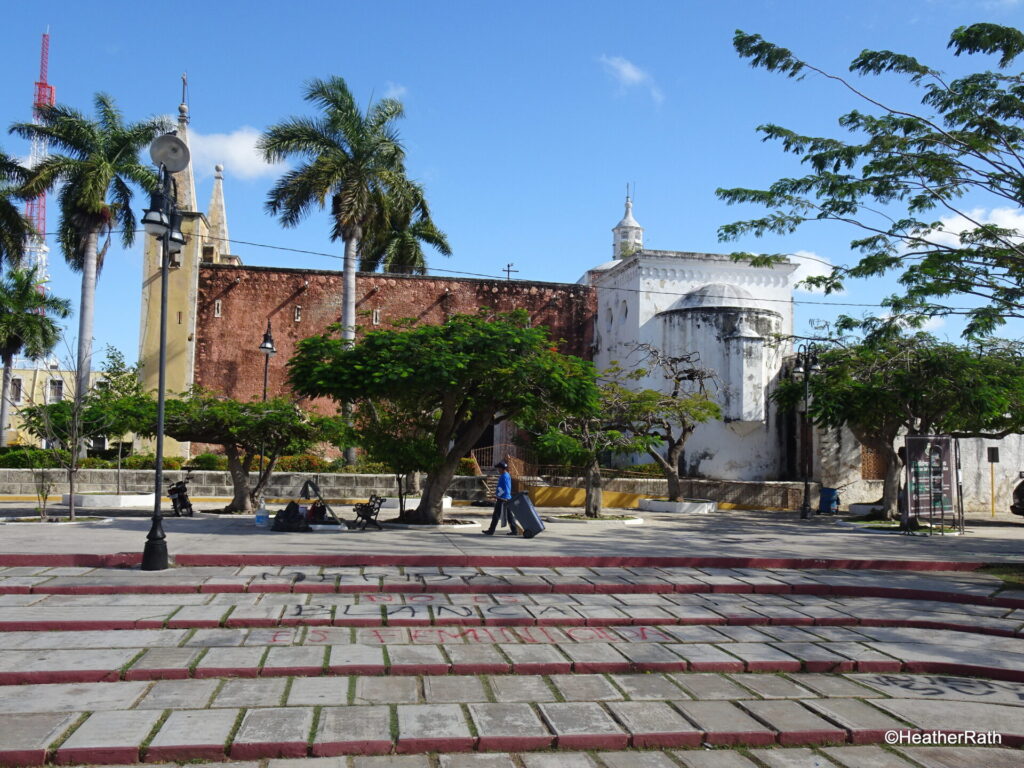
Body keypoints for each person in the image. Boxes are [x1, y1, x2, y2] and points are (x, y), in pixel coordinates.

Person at [483, 461, 519, 536]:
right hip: (504, 498)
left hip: (503, 499)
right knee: (509, 516)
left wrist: (499, 496)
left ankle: (491, 531)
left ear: (502, 468)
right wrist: (497, 494)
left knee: (496, 515)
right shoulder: (505, 475)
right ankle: (514, 531)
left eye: (499, 468)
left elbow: (506, 488)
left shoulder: (504, 476)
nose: (498, 470)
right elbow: (502, 488)